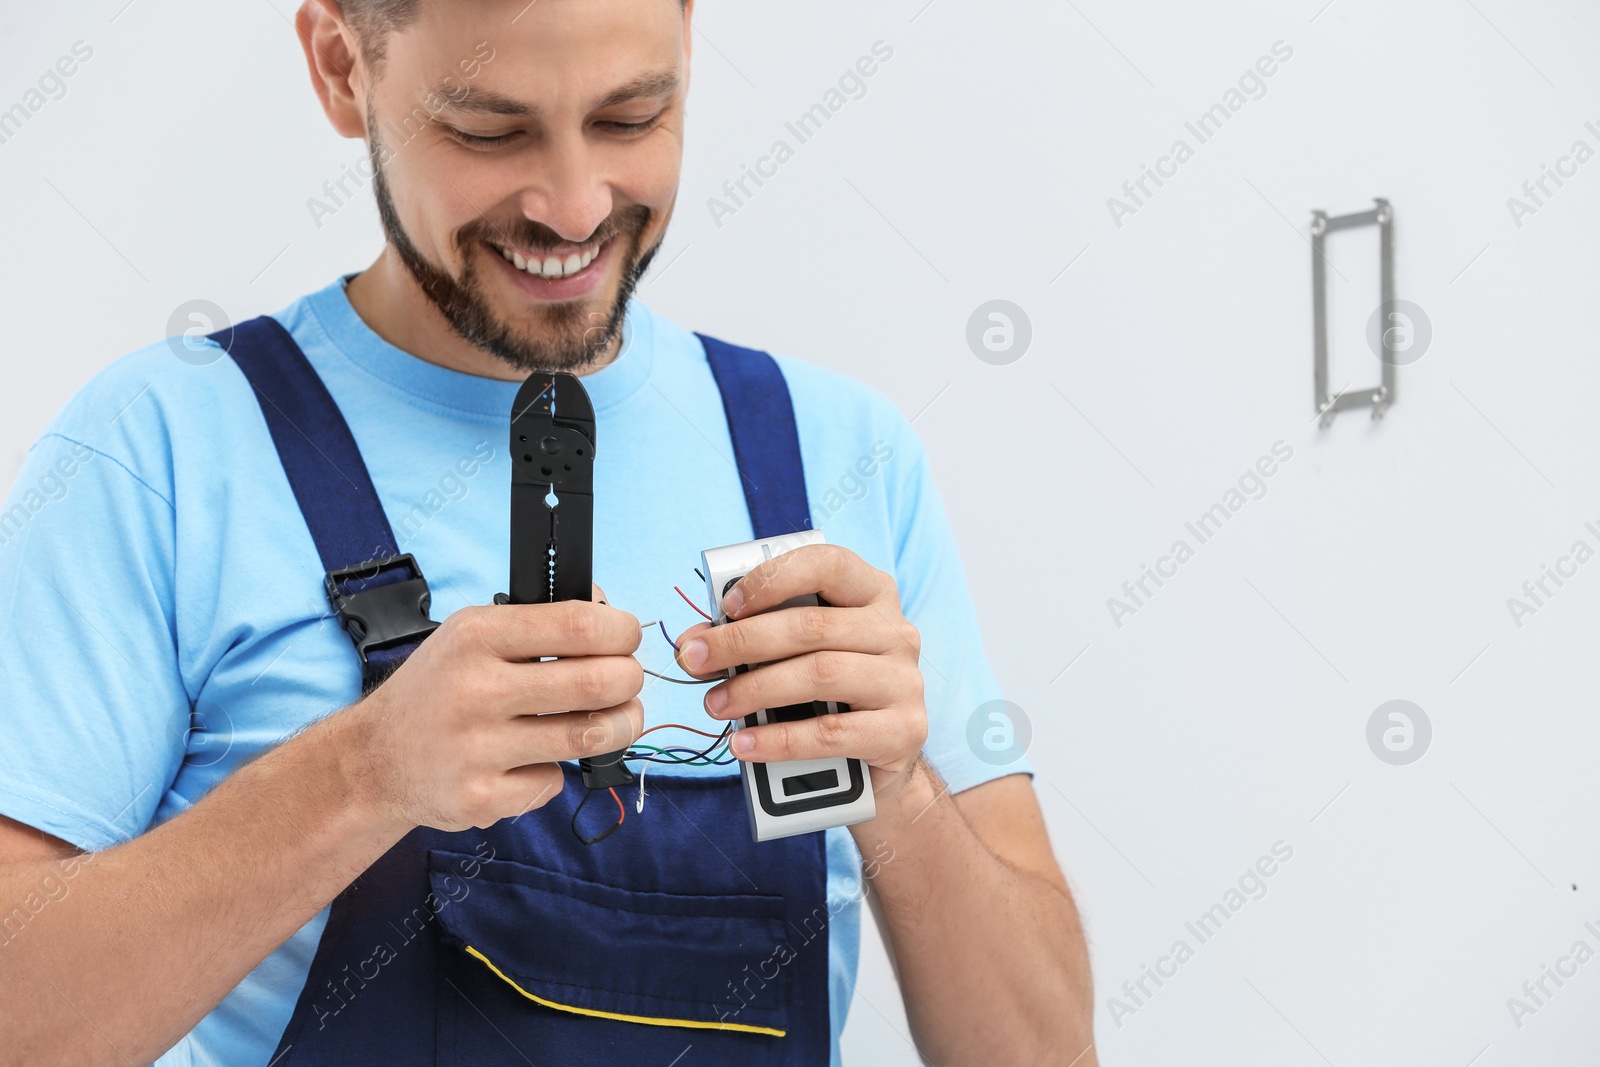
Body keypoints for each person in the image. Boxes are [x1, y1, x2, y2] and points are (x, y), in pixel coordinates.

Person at [0, 1, 1094, 1063]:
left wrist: (900, 789)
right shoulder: (165, 451)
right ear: (342, 67)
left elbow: (1047, 1053)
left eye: (629, 118)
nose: (574, 206)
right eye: (491, 129)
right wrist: (363, 774)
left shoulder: (839, 455)